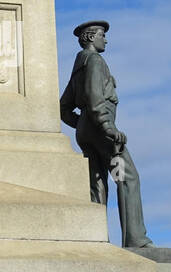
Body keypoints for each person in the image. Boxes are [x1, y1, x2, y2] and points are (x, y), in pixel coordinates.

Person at [59, 20, 154, 250]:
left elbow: (63, 107)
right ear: (91, 37)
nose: (106, 39)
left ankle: (97, 240)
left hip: (87, 131)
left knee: (97, 183)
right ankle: (136, 240)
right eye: (102, 35)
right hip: (103, 132)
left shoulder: (78, 66)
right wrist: (107, 127)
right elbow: (94, 98)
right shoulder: (95, 61)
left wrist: (82, 123)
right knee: (127, 177)